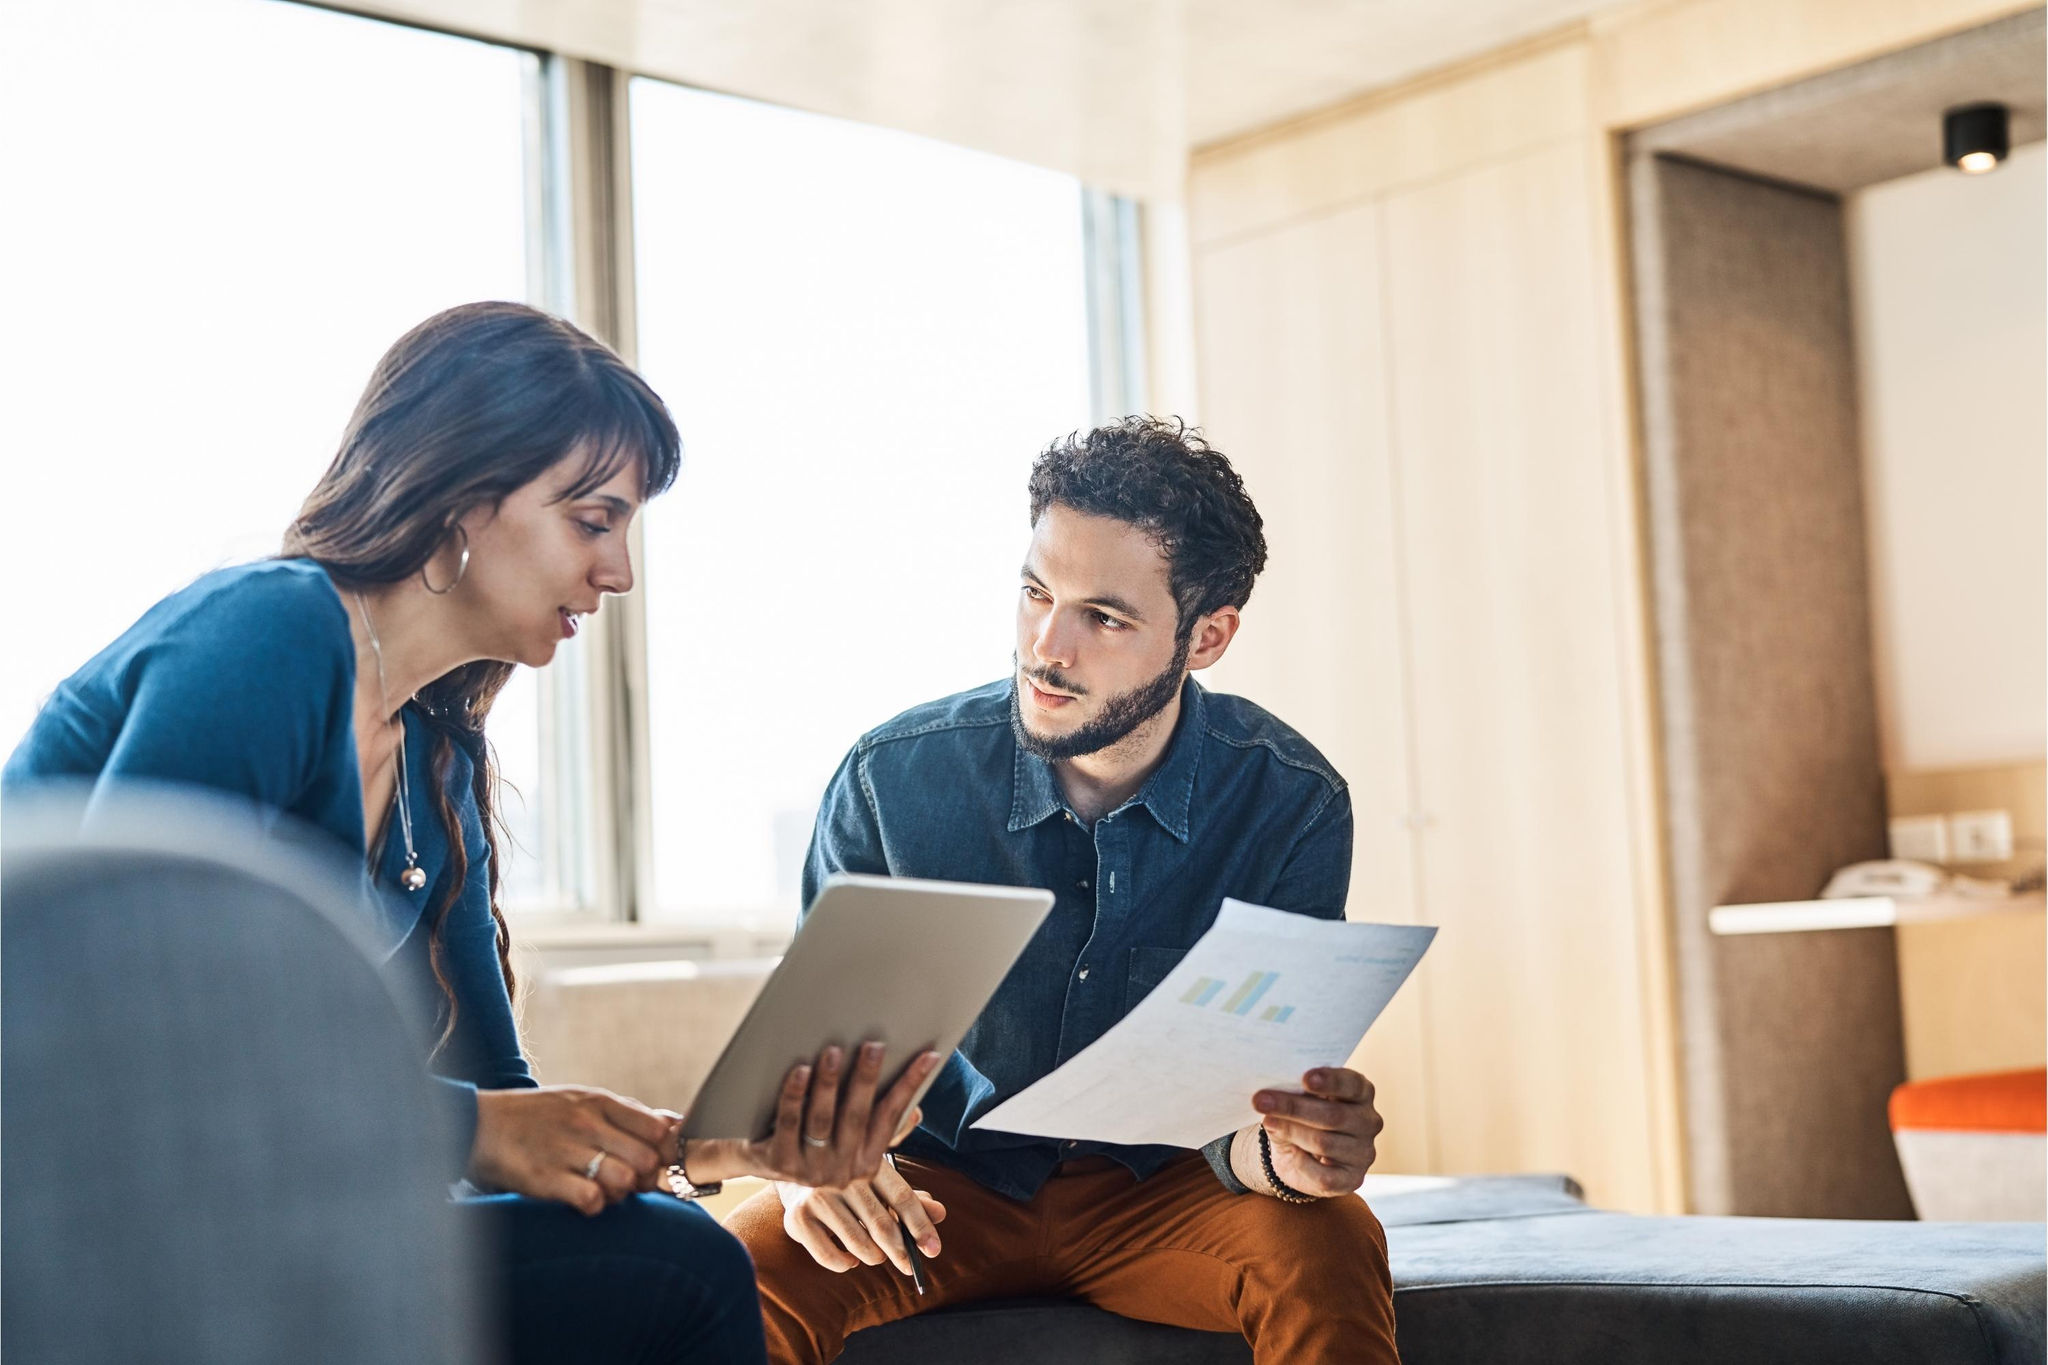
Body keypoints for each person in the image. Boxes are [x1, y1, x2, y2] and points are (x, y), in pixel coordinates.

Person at [3, 301, 937, 1364]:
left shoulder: (437, 758)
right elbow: (132, 1030)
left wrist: (724, 1151)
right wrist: (477, 1133)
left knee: (666, 1253)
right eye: (592, 520)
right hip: (74, 1196)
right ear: (460, 498)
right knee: (676, 1272)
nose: (620, 572)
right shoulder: (269, 634)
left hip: (261, 1212)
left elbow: (502, 1103)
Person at [725, 417, 1399, 1364]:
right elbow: (811, 1079)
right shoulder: (892, 779)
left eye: (1104, 616)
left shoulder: (1291, 803)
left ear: (1206, 637)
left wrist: (1292, 1163)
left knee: (1330, 1243)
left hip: (1167, 1194)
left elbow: (1255, 1123)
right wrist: (807, 1167)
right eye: (1036, 592)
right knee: (729, 1271)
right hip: (935, 1184)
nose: (1047, 645)